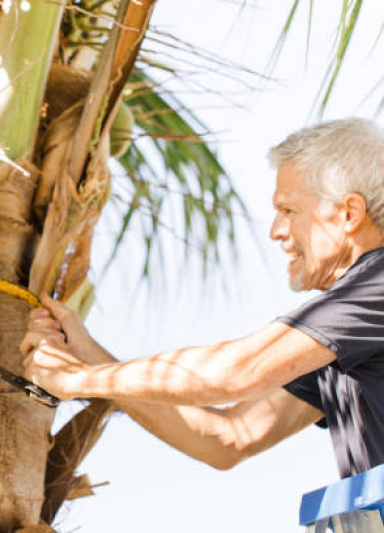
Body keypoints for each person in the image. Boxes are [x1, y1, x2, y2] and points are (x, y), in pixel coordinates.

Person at [21, 118, 384, 478]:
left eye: (289, 210)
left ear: (349, 213)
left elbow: (237, 371)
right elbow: (229, 438)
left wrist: (79, 380)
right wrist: (86, 354)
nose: (276, 231)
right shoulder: (340, 345)